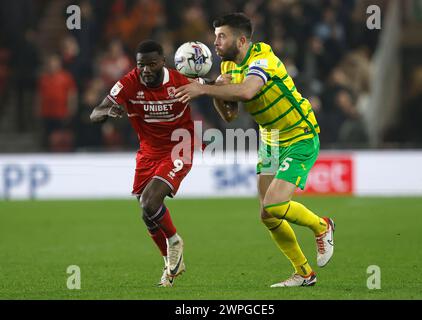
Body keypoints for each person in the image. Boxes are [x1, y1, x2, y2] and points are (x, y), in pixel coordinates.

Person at [175, 13, 335, 287]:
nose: (215, 42)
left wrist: (205, 91)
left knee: (275, 203)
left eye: (221, 36)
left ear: (241, 40)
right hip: (271, 139)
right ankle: (304, 273)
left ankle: (322, 226)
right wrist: (211, 87)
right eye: (215, 36)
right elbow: (229, 115)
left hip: (299, 134)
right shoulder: (228, 64)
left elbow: (248, 92)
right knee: (267, 214)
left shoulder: (263, 57)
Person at [90, 40, 195, 287]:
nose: (145, 69)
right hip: (148, 153)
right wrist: (106, 113)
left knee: (150, 201)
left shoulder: (181, 82)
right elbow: (95, 112)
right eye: (141, 65)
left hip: (179, 147)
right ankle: (170, 264)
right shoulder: (128, 82)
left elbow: (214, 93)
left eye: (151, 64)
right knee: (147, 214)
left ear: (162, 62)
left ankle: (175, 242)